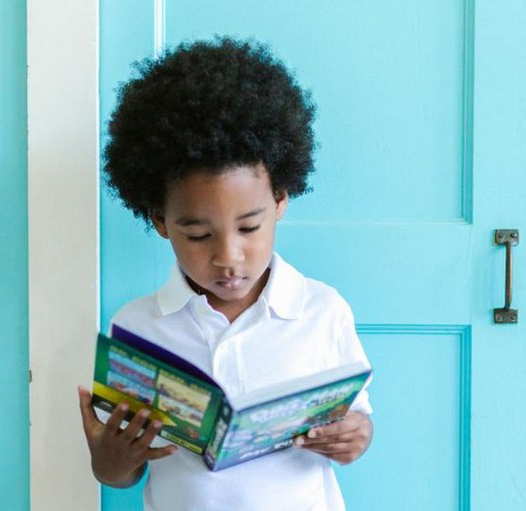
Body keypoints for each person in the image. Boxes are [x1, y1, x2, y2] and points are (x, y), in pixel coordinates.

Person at [78, 37, 373, 511]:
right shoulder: (136, 328)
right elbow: (118, 475)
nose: (228, 257)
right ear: (160, 220)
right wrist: (109, 458)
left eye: (249, 227)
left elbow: (357, 423)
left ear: (280, 200)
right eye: (199, 235)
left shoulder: (321, 311)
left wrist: (355, 437)